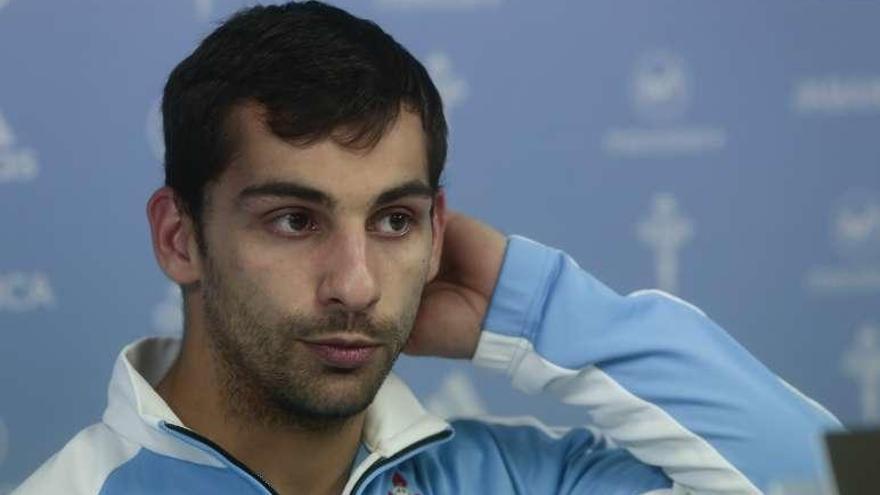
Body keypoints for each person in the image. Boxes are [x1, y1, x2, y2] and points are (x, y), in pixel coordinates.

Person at [15, 2, 840, 494]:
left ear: (438, 233)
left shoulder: (515, 480)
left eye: (394, 220)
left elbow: (825, 483)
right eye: (295, 221)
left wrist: (532, 304)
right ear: (178, 236)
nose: (356, 283)